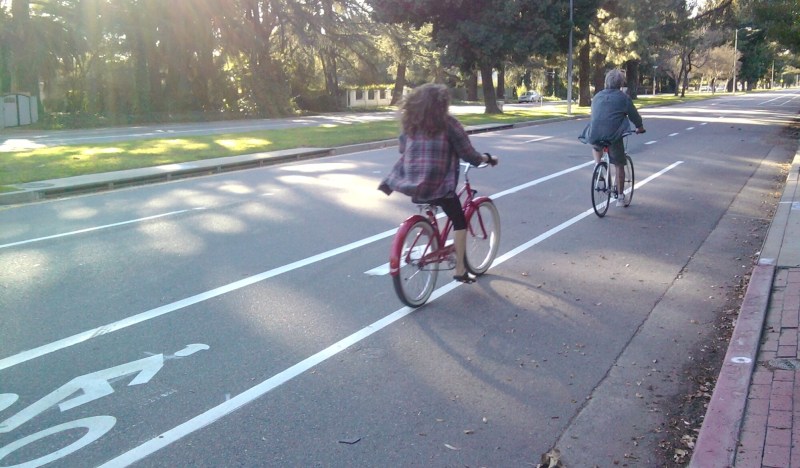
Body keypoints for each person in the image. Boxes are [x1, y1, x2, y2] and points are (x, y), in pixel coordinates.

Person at [378, 83, 497, 284]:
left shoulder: (411, 125)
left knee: (434, 205)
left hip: (413, 183)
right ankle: (460, 269)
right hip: (439, 185)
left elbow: (402, 149)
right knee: (459, 221)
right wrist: (488, 158)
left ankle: (432, 235)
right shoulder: (449, 124)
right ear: (442, 104)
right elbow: (470, 155)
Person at [580, 69, 645, 207]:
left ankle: (598, 166)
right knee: (619, 164)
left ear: (606, 82)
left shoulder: (597, 96)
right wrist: (639, 127)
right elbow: (634, 116)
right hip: (613, 136)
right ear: (621, 84)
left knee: (596, 144)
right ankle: (620, 197)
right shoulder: (623, 98)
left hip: (594, 134)